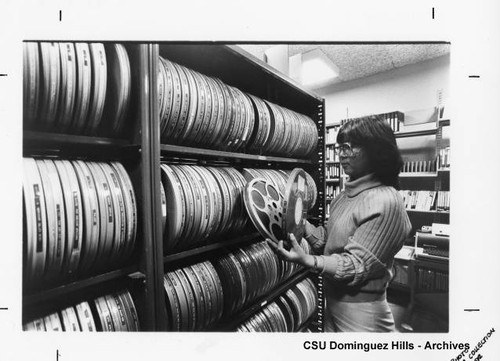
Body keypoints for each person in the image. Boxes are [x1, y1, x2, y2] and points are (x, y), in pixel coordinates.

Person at [269, 115, 412, 332]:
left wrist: (308, 260)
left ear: (377, 151)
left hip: (363, 315)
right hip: (334, 304)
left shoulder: (387, 200)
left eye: (352, 146)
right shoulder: (343, 197)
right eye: (341, 147)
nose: (343, 153)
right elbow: (328, 242)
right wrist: (297, 220)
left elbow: (355, 266)